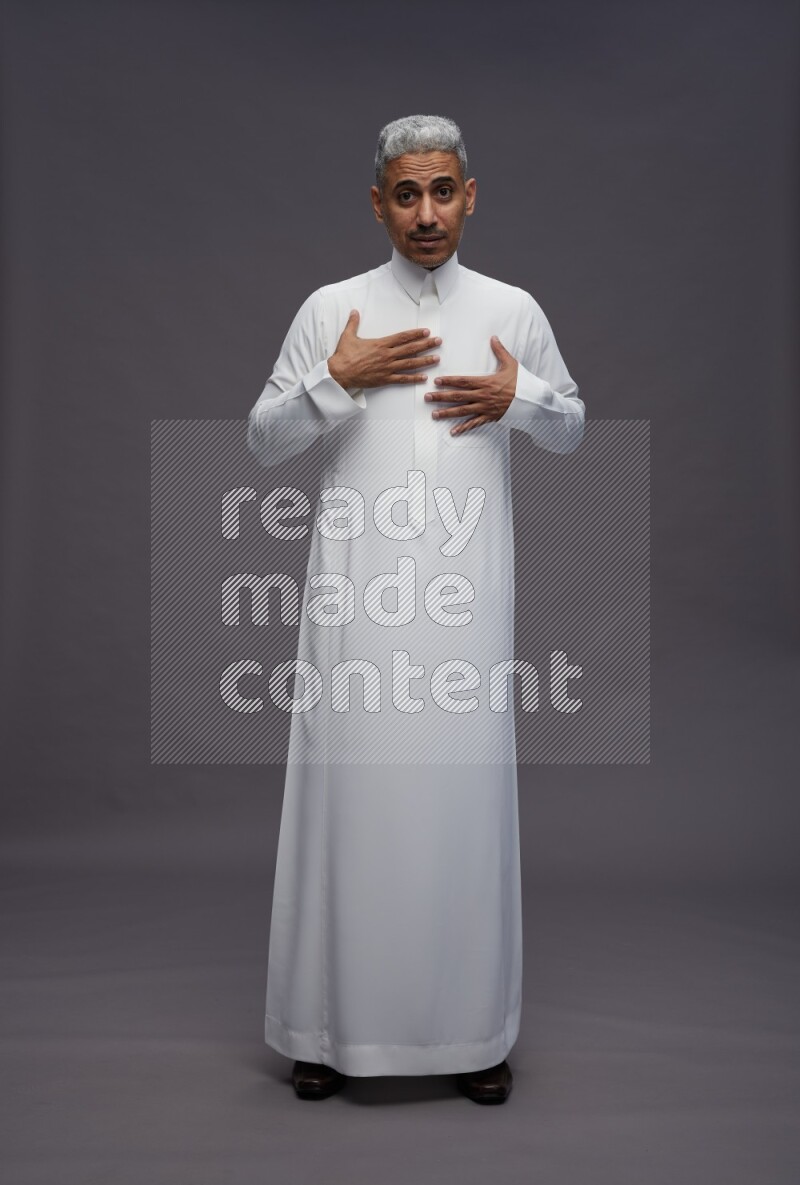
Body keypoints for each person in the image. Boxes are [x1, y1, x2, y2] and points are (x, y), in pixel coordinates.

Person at [246, 114, 584, 1104]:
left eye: (442, 192)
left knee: (459, 811)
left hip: (463, 610)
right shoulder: (331, 310)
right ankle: (322, 1028)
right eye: (406, 195)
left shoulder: (509, 310)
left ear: (469, 197)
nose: (425, 213)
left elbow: (568, 426)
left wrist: (520, 397)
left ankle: (470, 1035)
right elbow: (262, 439)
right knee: (346, 804)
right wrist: (331, 383)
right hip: (357, 609)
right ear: (377, 204)